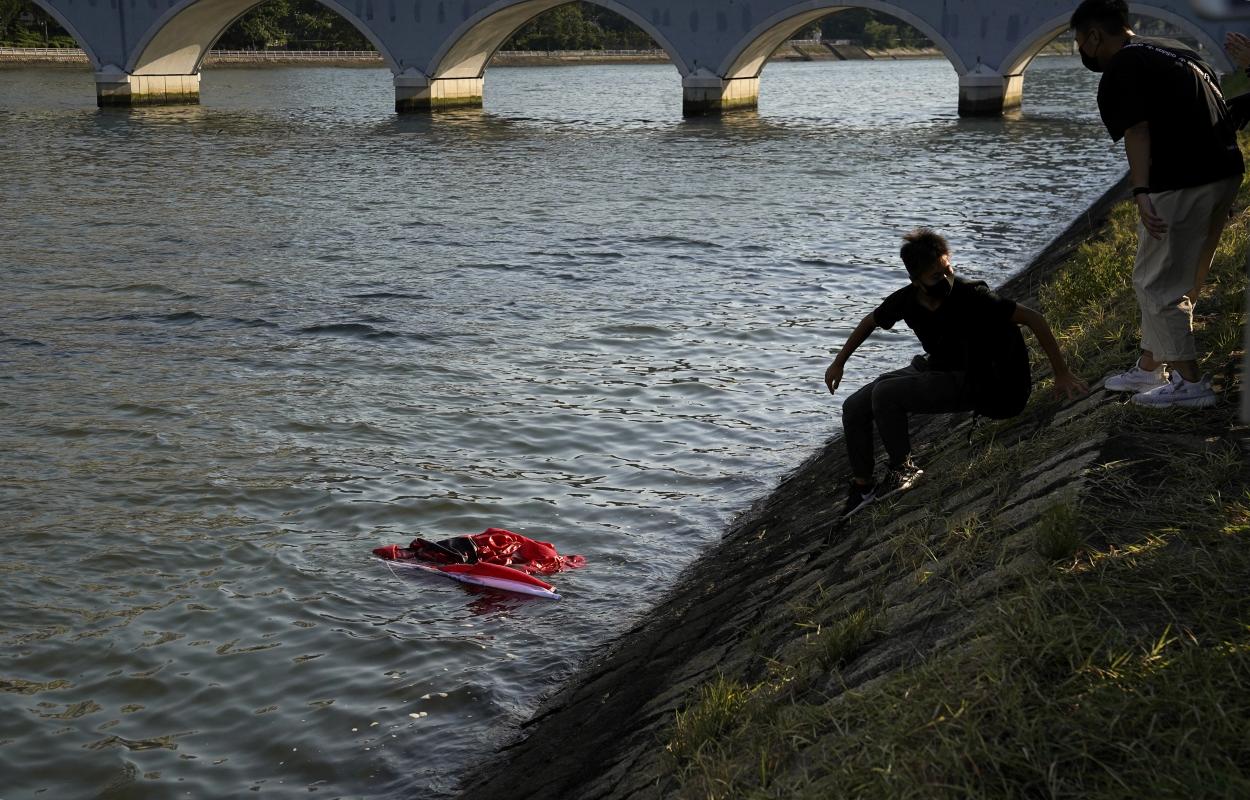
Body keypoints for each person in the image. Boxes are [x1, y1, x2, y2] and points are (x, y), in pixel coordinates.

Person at [825, 229, 1087, 517]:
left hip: (987, 383)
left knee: (886, 393)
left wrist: (1062, 373)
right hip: (941, 368)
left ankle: (903, 469)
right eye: (936, 277)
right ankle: (862, 488)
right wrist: (839, 363)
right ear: (916, 280)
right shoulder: (907, 300)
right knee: (853, 406)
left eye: (948, 270)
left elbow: (1034, 318)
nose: (946, 280)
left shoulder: (973, 296)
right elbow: (870, 321)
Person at [1072, 0, 1244, 407]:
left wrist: (1142, 192)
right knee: (1182, 273)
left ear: (1095, 36)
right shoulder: (1174, 49)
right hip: (1223, 170)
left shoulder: (1123, 66)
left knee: (1156, 282)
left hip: (1182, 179)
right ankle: (1151, 368)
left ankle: (1191, 385)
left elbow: (1138, 130)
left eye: (1080, 40)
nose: (1081, 48)